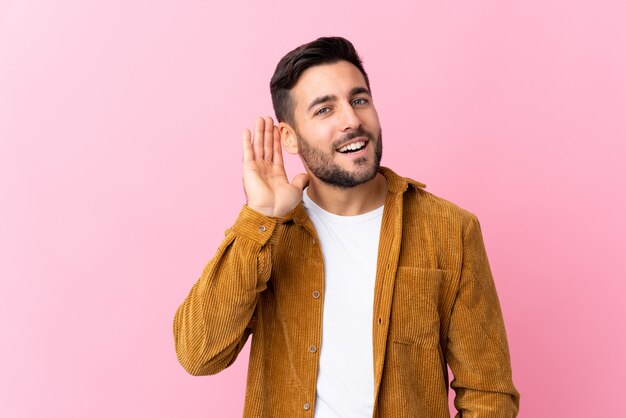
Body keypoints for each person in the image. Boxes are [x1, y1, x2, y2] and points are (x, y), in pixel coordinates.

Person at [173, 36, 520, 417]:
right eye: (324, 110)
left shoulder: (450, 230)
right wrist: (260, 219)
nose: (352, 121)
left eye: (359, 100)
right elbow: (198, 354)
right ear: (289, 137)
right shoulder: (269, 235)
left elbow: (489, 393)